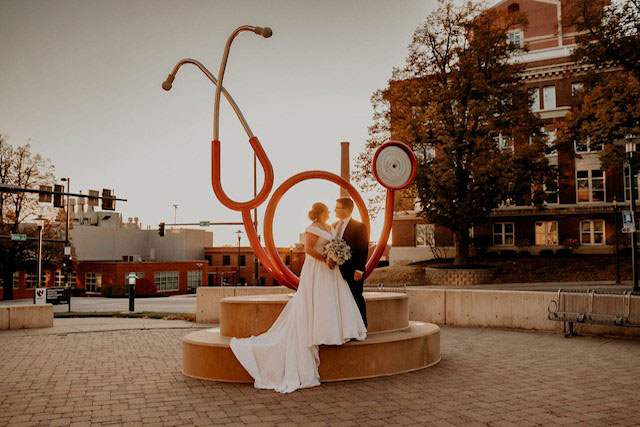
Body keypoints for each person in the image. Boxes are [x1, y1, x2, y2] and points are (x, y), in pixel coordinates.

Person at [230, 202, 367, 393]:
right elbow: (309, 249)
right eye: (327, 210)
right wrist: (326, 258)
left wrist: (335, 257)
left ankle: (335, 331)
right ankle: (317, 331)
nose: (331, 212)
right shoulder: (312, 228)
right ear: (320, 213)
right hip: (317, 268)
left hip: (331, 270)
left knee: (331, 300)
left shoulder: (331, 227)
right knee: (317, 299)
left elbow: (338, 244)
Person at [332, 197, 369, 327]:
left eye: (337, 207)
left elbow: (363, 249)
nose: (334, 210)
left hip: (353, 270)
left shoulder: (359, 226)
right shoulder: (334, 225)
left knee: (356, 297)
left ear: (346, 209)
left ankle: (362, 327)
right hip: (336, 270)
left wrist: (359, 269)